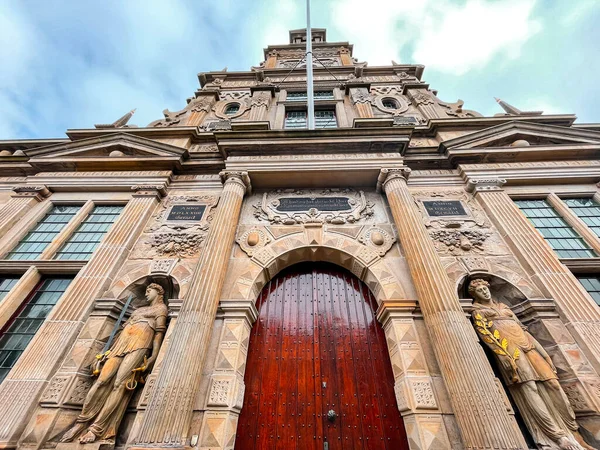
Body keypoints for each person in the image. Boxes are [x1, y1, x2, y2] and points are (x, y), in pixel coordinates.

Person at [469, 279, 595, 450]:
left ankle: (573, 432)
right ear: (473, 294)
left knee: (553, 384)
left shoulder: (504, 307)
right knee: (529, 387)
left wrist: (544, 353)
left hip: (528, 345)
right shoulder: (478, 311)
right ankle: (555, 435)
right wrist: (503, 356)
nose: (485, 292)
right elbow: (486, 335)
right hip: (510, 351)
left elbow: (523, 329)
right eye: (480, 290)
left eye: (485, 288)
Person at [61, 283, 168, 444]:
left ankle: (97, 428)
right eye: (145, 290)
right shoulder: (138, 310)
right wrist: (105, 352)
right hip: (120, 344)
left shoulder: (161, 309)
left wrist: (153, 356)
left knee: (120, 384)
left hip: (140, 345)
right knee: (101, 382)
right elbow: (119, 332)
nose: (146, 294)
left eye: (149, 291)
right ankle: (81, 423)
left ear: (158, 292)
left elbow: (159, 334)